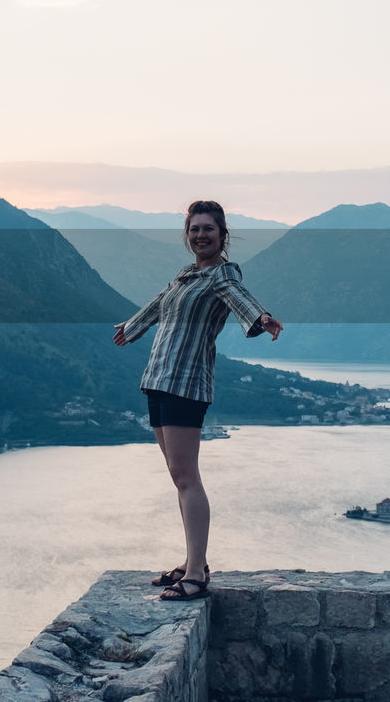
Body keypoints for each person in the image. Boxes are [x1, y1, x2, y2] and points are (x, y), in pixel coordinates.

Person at [113, 200, 283, 601]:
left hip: (186, 384)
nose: (201, 235)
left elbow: (242, 299)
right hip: (158, 378)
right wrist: (132, 326)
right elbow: (159, 304)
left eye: (209, 229)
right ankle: (194, 562)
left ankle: (196, 574)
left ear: (223, 235)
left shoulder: (222, 276)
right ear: (187, 236)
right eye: (194, 229)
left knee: (188, 478)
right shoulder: (186, 275)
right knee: (179, 477)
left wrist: (262, 319)